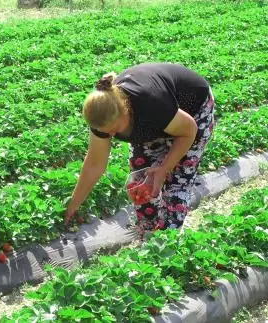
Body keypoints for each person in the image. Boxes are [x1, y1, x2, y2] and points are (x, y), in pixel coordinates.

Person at [64, 63, 215, 238]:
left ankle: (168, 244)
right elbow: (95, 164)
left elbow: (189, 130)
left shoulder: (150, 103)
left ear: (125, 111)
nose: (111, 135)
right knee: (141, 181)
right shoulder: (101, 117)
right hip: (157, 121)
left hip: (193, 112)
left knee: (177, 182)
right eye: (106, 132)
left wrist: (164, 168)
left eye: (114, 129)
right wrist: (74, 203)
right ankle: (148, 238)